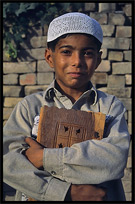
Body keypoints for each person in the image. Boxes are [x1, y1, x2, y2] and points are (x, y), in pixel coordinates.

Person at [3, 12, 130, 201]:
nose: (77, 62)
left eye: (87, 53)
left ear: (98, 59)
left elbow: (113, 160)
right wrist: (66, 192)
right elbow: (8, 163)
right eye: (66, 52)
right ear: (49, 57)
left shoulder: (110, 107)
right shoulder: (29, 107)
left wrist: (43, 158)